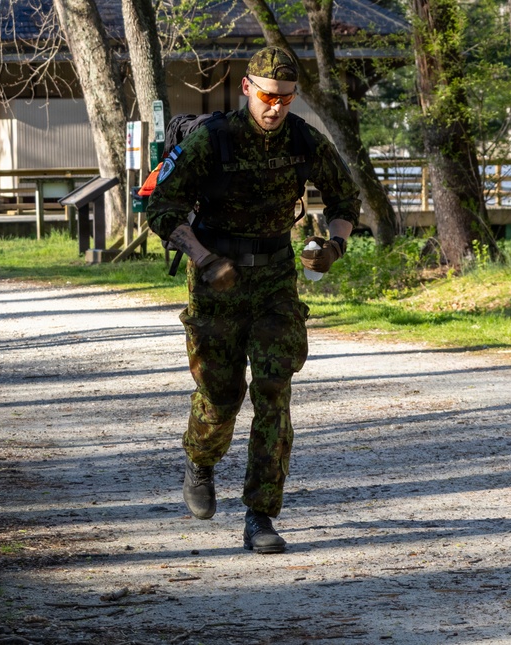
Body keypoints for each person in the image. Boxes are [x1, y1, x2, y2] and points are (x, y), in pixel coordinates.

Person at [146, 47, 360, 554]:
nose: (276, 107)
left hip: (275, 284)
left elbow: (345, 197)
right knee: (221, 397)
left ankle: (260, 515)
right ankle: (200, 459)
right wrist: (201, 258)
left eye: (286, 98)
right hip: (215, 281)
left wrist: (334, 245)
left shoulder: (305, 140)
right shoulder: (212, 141)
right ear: (247, 88)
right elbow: (162, 208)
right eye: (267, 95)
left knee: (273, 394)